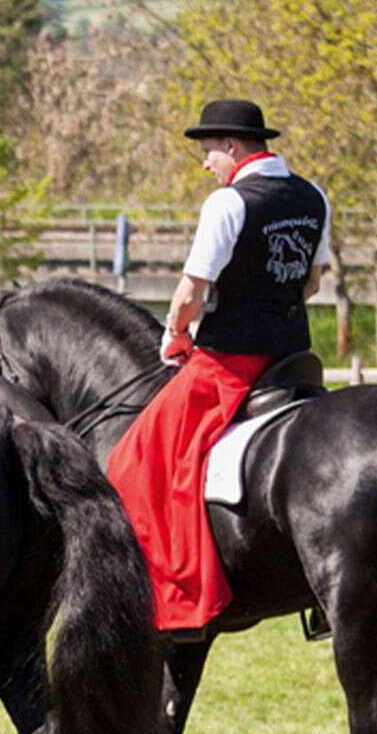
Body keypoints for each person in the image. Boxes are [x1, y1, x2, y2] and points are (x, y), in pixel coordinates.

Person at [105, 99, 331, 640]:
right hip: (292, 355)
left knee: (136, 459)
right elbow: (313, 282)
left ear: (232, 146)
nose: (206, 165)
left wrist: (176, 336)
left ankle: (179, 598)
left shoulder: (228, 203)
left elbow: (190, 291)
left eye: (207, 153)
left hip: (232, 360)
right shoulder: (313, 195)